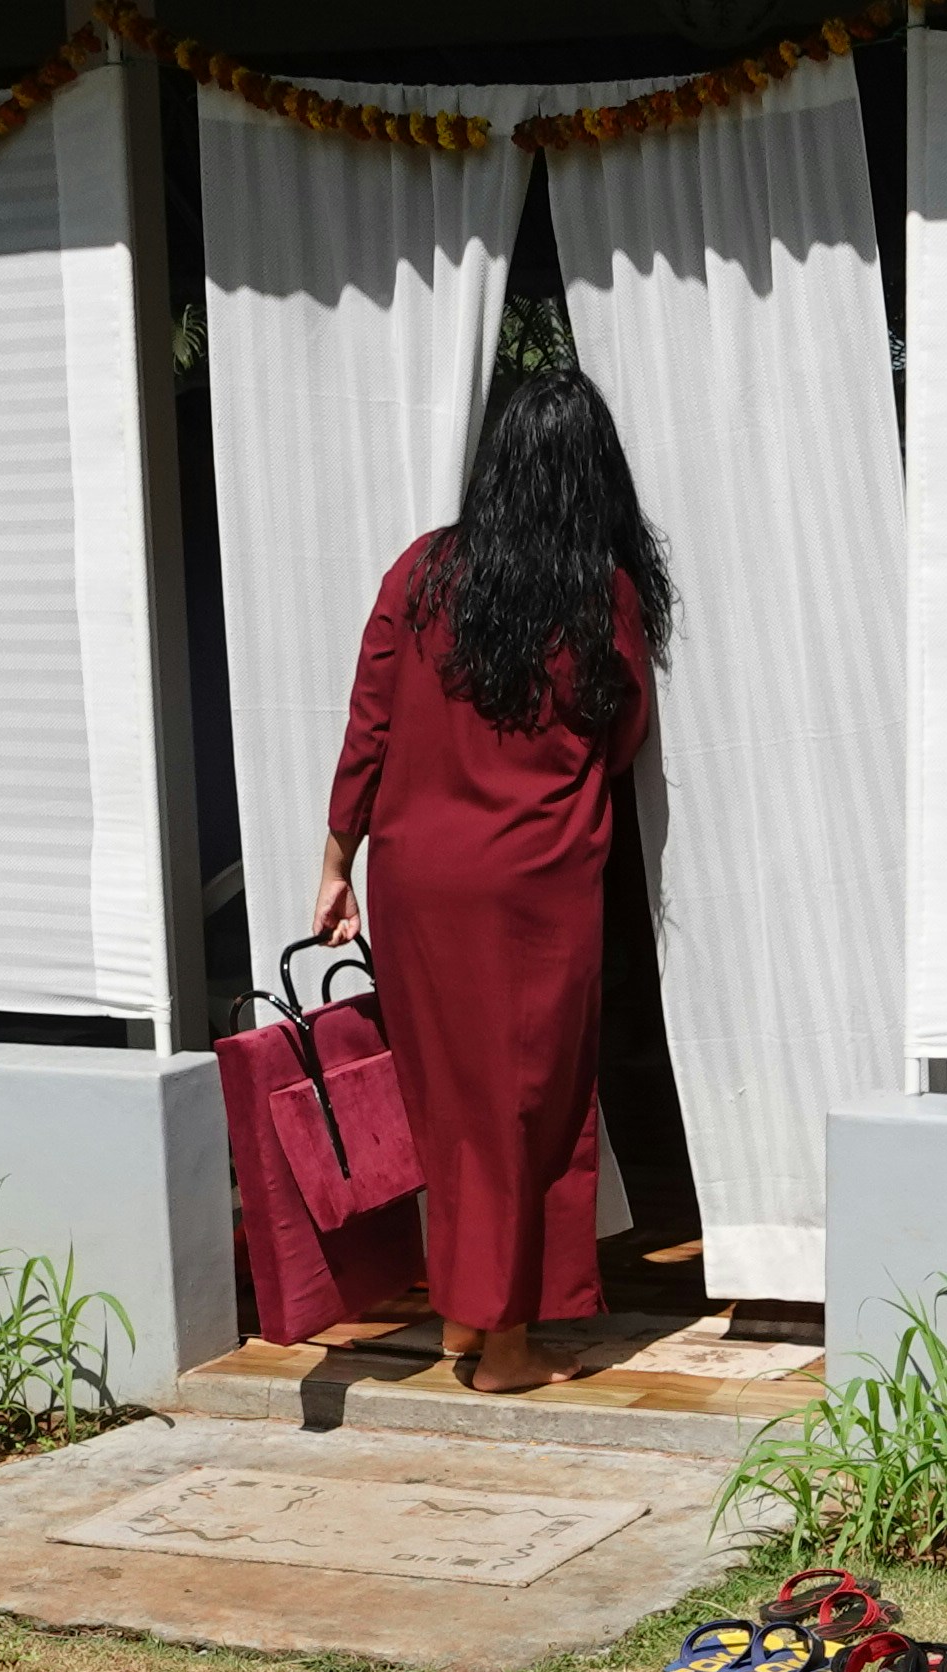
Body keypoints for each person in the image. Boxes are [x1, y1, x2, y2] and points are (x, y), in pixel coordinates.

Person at [313, 368, 667, 1397]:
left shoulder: (421, 572)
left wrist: (336, 862)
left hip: (418, 880)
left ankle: (466, 1317)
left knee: (454, 1104)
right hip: (534, 883)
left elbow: (369, 724)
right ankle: (506, 1348)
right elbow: (624, 736)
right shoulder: (600, 592)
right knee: (529, 1106)